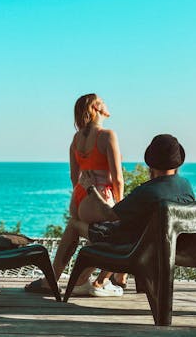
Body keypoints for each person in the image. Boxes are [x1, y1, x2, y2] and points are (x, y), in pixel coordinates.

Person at [25, 93, 126, 296]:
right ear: (96, 107)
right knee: (113, 234)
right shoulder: (107, 135)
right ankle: (98, 282)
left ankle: (52, 279)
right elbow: (117, 178)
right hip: (99, 194)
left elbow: (74, 175)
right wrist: (119, 204)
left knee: (80, 229)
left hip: (80, 195)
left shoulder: (77, 138)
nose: (106, 103)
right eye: (103, 101)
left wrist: (82, 197)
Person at [70, 134, 195, 249]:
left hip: (133, 246)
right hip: (168, 247)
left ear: (151, 163)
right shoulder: (186, 186)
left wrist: (90, 188)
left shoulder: (147, 191)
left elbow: (109, 215)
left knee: (74, 225)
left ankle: (57, 273)